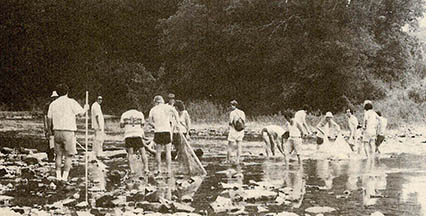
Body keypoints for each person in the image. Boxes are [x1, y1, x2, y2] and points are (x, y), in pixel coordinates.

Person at [47, 84, 89, 181]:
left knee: (58, 155)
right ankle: (64, 178)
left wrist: (50, 132)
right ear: (67, 91)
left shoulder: (53, 104)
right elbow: (80, 114)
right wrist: (86, 108)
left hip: (57, 131)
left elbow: (49, 118)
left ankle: (58, 176)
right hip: (68, 131)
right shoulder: (71, 102)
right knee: (69, 155)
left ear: (57, 92)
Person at [148, 95, 179, 175]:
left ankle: (158, 169)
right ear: (162, 101)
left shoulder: (153, 109)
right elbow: (175, 112)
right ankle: (168, 169)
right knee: (168, 151)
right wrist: (177, 123)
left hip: (158, 131)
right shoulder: (167, 107)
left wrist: (155, 125)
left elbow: (150, 121)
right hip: (166, 131)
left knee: (158, 152)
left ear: (155, 102)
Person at [120, 103, 149, 175]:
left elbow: (121, 125)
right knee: (142, 152)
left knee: (130, 153)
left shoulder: (124, 114)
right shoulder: (140, 114)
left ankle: (132, 170)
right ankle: (146, 168)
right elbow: (142, 124)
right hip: (137, 134)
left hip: (128, 135)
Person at [43, 91, 58, 162]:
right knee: (50, 141)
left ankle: (56, 156)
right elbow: (45, 117)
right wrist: (46, 127)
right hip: (50, 125)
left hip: (56, 125)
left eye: (55, 98)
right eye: (53, 98)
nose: (54, 99)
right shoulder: (48, 105)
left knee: (57, 141)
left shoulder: (58, 105)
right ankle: (50, 156)